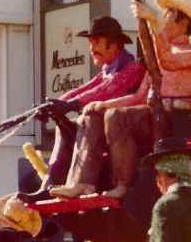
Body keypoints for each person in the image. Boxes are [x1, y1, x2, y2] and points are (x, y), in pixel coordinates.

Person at [53, 0, 191, 201]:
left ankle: (123, 184)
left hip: (173, 118)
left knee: (116, 117)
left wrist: (153, 22)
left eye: (169, 13)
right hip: (153, 114)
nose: (164, 17)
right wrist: (102, 104)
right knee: (96, 115)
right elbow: (139, 96)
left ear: (184, 22)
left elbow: (168, 60)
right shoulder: (159, 54)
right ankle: (82, 183)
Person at [18, 16, 145, 203]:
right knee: (65, 129)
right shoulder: (109, 70)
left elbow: (107, 90)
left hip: (124, 130)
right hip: (107, 129)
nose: (91, 49)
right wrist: (55, 103)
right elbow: (86, 89)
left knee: (86, 121)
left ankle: (80, 182)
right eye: (91, 43)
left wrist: (72, 104)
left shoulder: (131, 68)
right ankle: (48, 185)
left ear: (113, 45)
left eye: (96, 43)